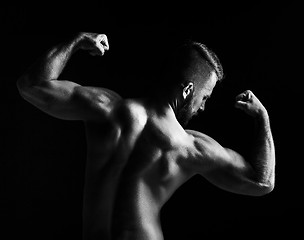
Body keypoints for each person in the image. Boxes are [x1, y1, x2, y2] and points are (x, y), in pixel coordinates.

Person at [17, 32, 275, 240]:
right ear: (187, 90)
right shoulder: (189, 145)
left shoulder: (106, 108)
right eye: (204, 97)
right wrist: (262, 117)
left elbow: (32, 84)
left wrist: (77, 40)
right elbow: (262, 182)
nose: (203, 107)